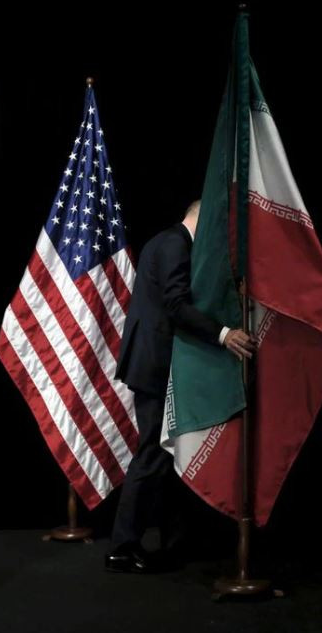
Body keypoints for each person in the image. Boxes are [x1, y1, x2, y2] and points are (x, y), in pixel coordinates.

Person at [105, 199, 255, 573]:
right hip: (155, 365)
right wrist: (223, 334)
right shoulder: (175, 244)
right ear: (199, 220)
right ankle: (122, 547)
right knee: (153, 455)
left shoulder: (167, 242)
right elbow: (176, 305)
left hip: (158, 362)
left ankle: (173, 541)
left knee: (165, 457)